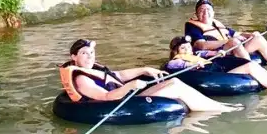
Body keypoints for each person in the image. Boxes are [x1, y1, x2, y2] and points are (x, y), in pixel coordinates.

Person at [59, 39, 240, 112]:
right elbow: (106, 96)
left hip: (128, 94)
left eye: (91, 53)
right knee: (175, 87)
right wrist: (131, 85)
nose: (90, 56)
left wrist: (145, 69)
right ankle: (223, 110)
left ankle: (218, 106)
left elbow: (118, 75)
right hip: (121, 102)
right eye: (84, 53)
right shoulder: (81, 78)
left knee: (174, 80)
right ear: (74, 57)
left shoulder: (94, 69)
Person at [184, 0, 267, 69]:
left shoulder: (217, 24)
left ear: (213, 13)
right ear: (196, 14)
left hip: (232, 49)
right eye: (201, 11)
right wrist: (228, 41)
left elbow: (236, 33)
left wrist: (251, 35)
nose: (205, 13)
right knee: (233, 41)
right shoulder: (192, 26)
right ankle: (254, 71)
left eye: (208, 10)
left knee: (257, 37)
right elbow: (201, 45)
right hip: (216, 54)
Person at [165, 36, 267, 97]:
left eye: (188, 47)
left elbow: (211, 53)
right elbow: (178, 65)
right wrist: (193, 64)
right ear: (176, 51)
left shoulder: (198, 53)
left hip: (219, 71)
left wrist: (221, 52)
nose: (188, 50)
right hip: (214, 76)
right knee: (250, 67)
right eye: (183, 48)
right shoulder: (175, 61)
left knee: (252, 64)